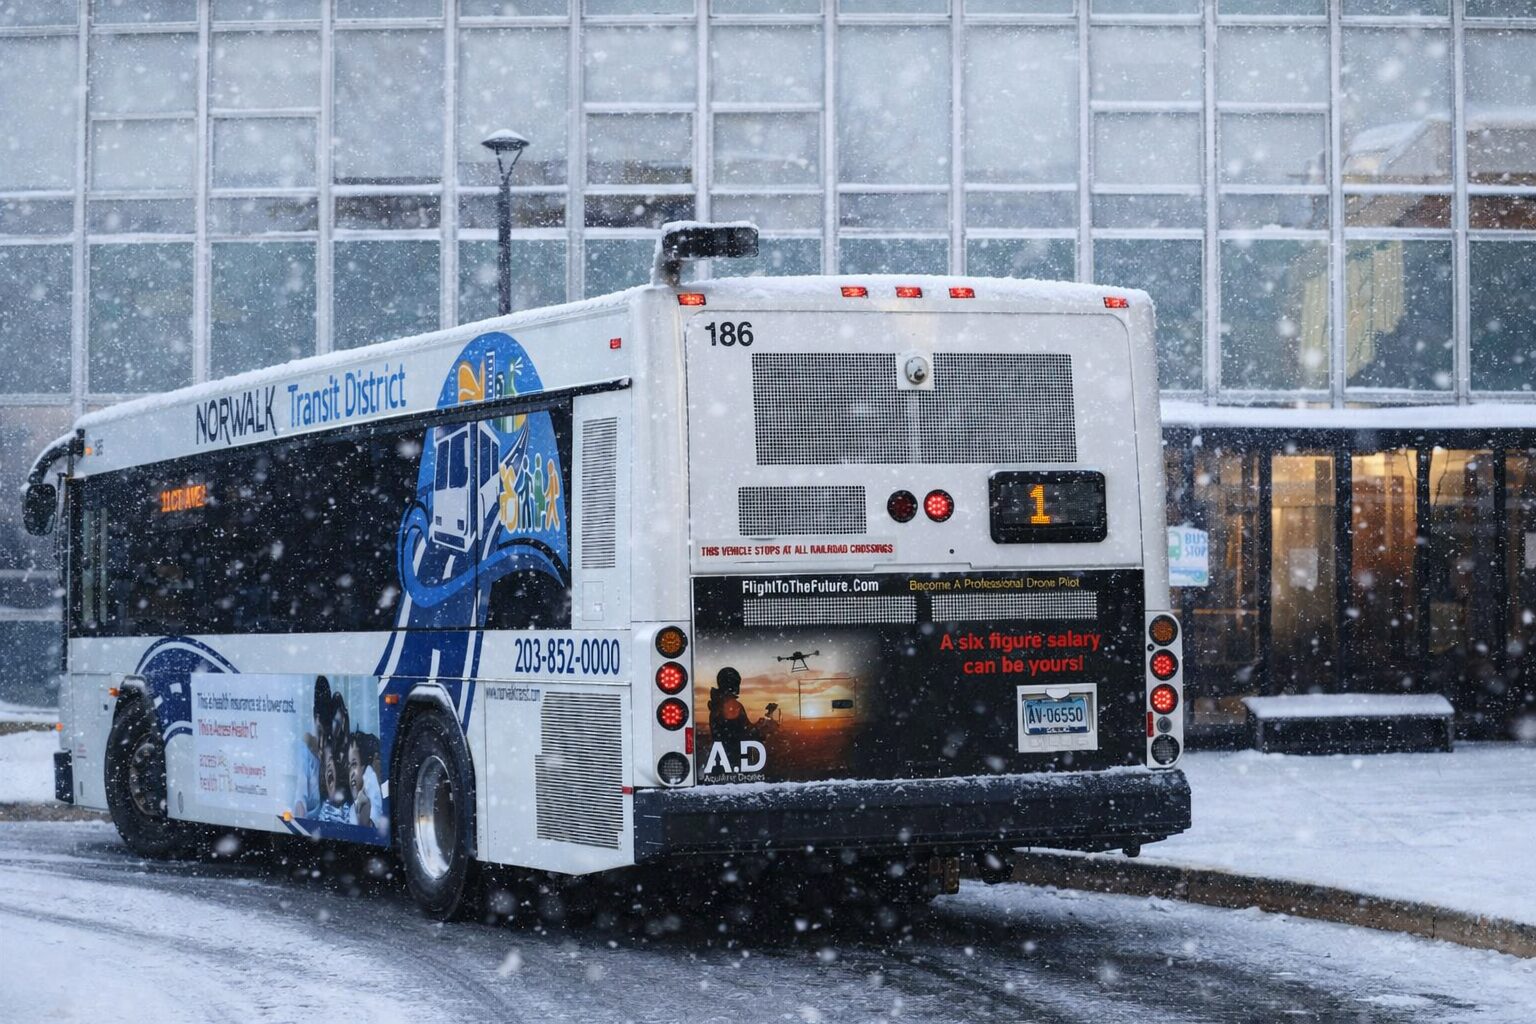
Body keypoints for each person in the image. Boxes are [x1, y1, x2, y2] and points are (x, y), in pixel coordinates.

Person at [291, 675, 329, 819]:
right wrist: (300, 805)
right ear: (314, 718)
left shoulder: (337, 751)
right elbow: (301, 789)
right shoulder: (306, 749)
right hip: (312, 818)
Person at [347, 732, 386, 833]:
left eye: (354, 764)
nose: (351, 773)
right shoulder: (352, 811)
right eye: (349, 766)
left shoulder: (379, 790)